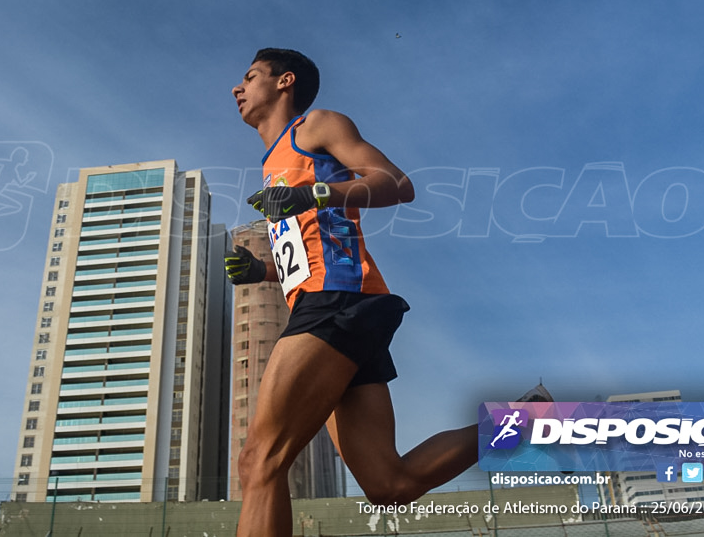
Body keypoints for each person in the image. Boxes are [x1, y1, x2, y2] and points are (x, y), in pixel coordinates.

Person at [226, 48, 549, 537]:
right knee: (388, 484)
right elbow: (313, 247)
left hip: (336, 304)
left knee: (259, 462)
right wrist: (263, 271)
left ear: (284, 81)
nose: (237, 87)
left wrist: (314, 192)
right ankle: (523, 420)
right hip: (331, 306)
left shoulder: (315, 127)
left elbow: (396, 183)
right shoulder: (271, 162)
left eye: (250, 77)